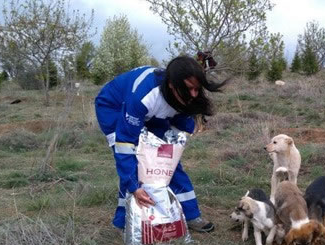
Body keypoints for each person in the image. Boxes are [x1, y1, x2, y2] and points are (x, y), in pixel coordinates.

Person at [94, 56, 227, 233]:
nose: (194, 94)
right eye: (189, 89)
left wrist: (177, 141)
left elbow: (182, 124)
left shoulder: (183, 94)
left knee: (166, 162)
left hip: (152, 113)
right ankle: (123, 220)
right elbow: (125, 145)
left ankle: (191, 215)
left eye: (197, 89)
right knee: (136, 164)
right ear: (172, 84)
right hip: (113, 107)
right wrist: (134, 186)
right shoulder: (144, 96)